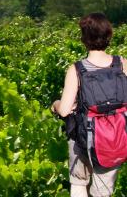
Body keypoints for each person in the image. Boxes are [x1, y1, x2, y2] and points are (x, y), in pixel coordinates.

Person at [51, 12, 127, 197]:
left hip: (83, 137)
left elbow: (65, 110)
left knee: (78, 183)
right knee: (102, 191)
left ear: (84, 38)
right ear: (109, 35)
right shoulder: (122, 64)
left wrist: (55, 104)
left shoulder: (77, 69)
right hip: (114, 137)